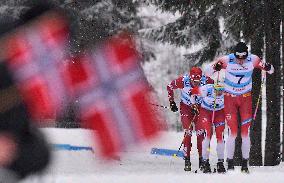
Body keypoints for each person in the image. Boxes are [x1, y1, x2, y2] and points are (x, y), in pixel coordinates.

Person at [205, 42, 274, 173]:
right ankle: (230, 162)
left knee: (245, 133)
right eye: (238, 58)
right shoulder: (226, 60)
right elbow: (207, 72)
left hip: (245, 99)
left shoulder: (253, 60)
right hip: (230, 98)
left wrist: (268, 67)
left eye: (243, 58)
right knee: (233, 132)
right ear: (234, 55)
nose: (241, 61)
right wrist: (216, 67)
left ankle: (244, 163)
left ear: (247, 55)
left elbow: (271, 70)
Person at [167, 66, 213, 171]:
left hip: (200, 108)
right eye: (194, 80)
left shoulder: (207, 80)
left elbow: (216, 89)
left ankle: (202, 160)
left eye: (198, 80)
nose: (196, 82)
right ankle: (187, 160)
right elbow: (169, 86)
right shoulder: (183, 81)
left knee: (200, 134)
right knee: (188, 133)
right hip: (186, 108)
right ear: (190, 78)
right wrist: (172, 102)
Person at [191, 83, 226, 173]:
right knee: (208, 135)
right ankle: (205, 162)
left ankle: (220, 162)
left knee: (220, 136)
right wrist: (193, 105)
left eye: (221, 91)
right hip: (206, 112)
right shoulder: (205, 89)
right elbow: (192, 92)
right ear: (214, 89)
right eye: (218, 91)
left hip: (219, 113)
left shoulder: (227, 92)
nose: (220, 93)